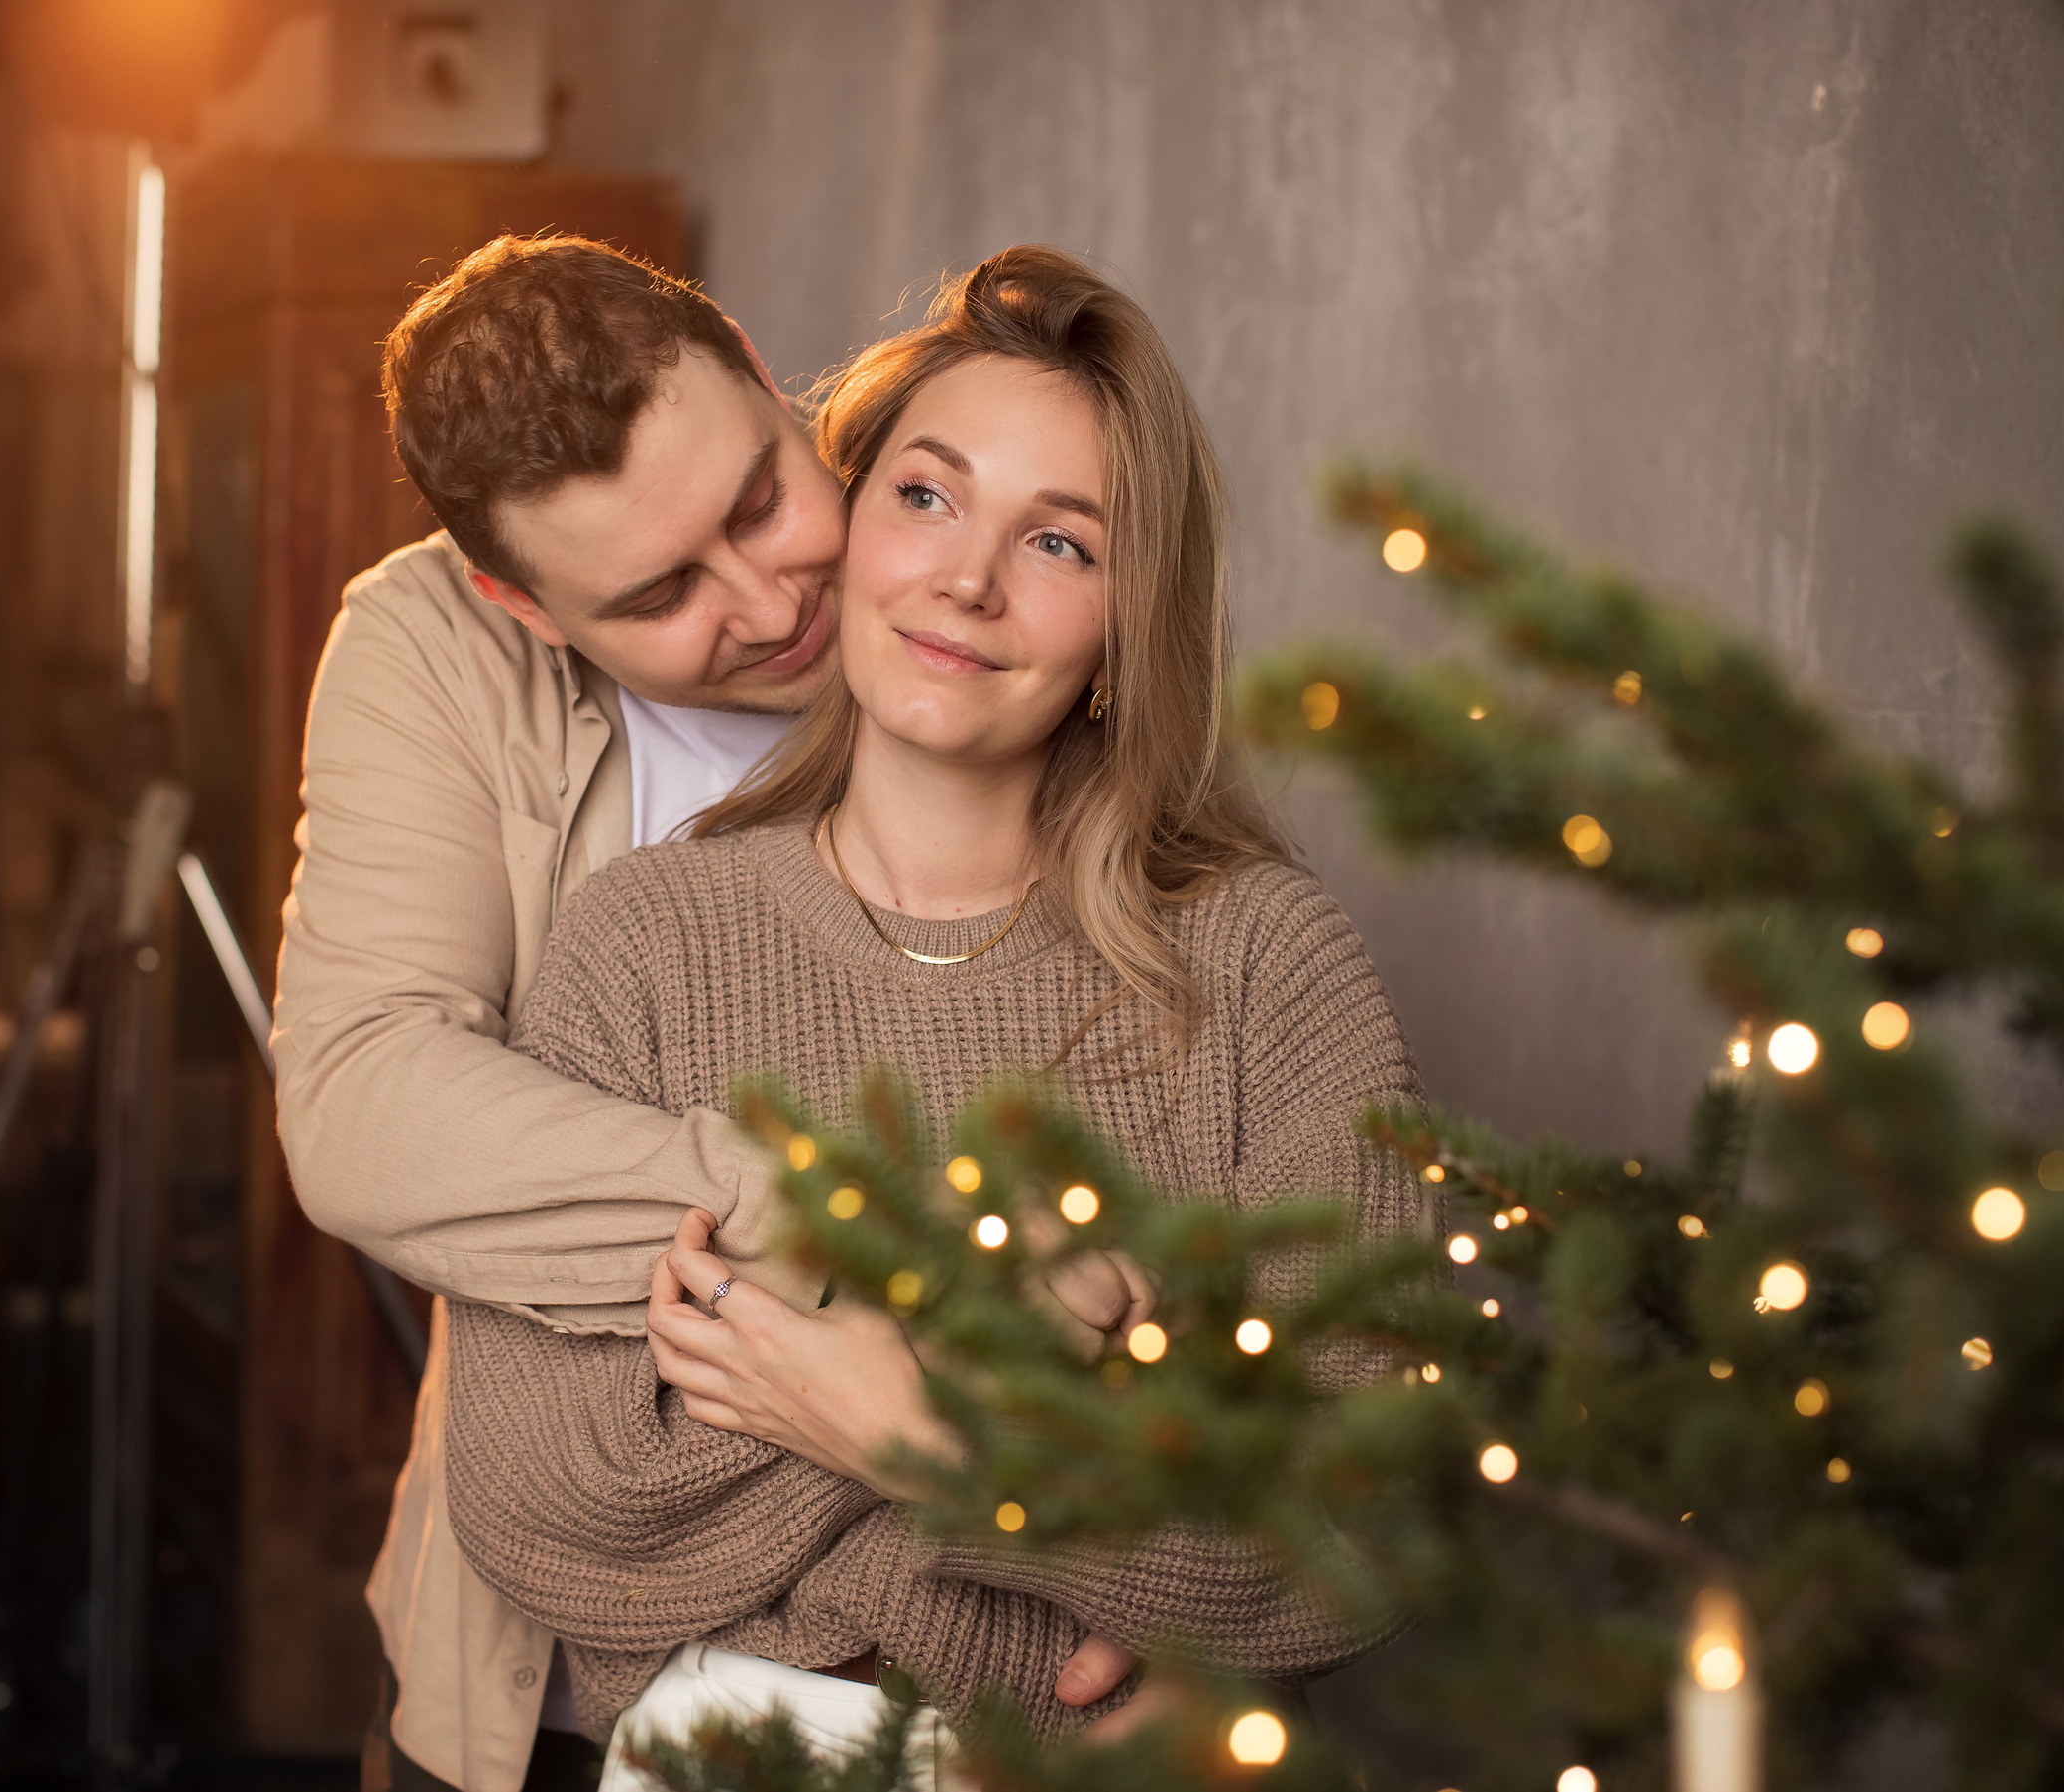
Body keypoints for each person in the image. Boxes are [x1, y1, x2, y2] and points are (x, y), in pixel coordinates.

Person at [439, 246, 1425, 1788]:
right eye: (926, 495)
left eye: (1061, 541)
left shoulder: (1266, 964)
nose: (968, 576)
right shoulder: (641, 938)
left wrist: (912, 1428)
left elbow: (1359, 1524)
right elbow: (542, 1501)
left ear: (1126, 621)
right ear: (858, 521)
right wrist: (1081, 1425)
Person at [274, 234, 1138, 1792]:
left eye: (758, 496)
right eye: (663, 591)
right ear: (519, 603)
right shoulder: (430, 646)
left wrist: (1154, 1567)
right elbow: (362, 1105)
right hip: (544, 1676)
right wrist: (845, 1231)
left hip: (963, 1669)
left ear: (752, 360)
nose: (770, 597)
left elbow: (1177, 1150)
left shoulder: (971, 577)